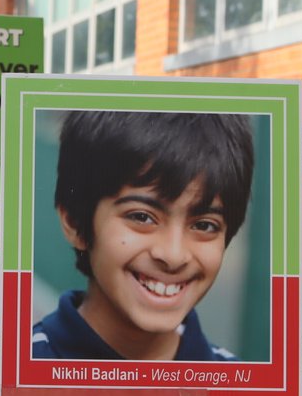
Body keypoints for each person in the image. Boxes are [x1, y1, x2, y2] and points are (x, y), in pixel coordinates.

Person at [32, 110, 254, 362]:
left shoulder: (239, 381)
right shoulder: (15, 367)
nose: (173, 256)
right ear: (74, 222)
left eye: (204, 225)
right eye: (142, 217)